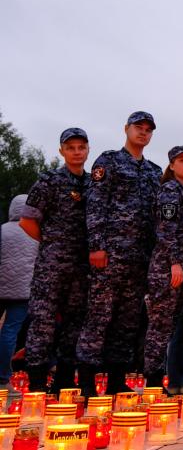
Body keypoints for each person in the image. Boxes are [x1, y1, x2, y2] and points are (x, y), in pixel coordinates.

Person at [77, 111, 161, 395]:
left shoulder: (153, 171)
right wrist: (97, 246)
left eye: (148, 129)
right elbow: (96, 204)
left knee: (127, 320)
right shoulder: (109, 161)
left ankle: (116, 380)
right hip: (110, 255)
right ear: (126, 129)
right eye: (139, 128)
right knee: (99, 317)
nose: (143, 133)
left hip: (139, 259)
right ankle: (87, 383)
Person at [18, 128, 90, 394]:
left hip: (82, 268)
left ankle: (64, 380)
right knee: (43, 322)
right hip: (52, 266)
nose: (76, 152)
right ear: (61, 150)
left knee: (75, 323)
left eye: (81, 147)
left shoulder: (93, 183)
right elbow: (27, 221)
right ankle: (37, 381)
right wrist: (52, 243)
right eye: (70, 147)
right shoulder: (49, 181)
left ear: (87, 150)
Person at [142, 146, 183, 391]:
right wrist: (174, 263)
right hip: (169, 270)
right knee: (159, 327)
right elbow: (166, 230)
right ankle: (153, 382)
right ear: (172, 165)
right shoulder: (169, 190)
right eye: (182, 161)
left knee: (175, 327)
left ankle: (175, 382)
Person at [0, 195, 38, 393]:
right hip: (23, 291)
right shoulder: (35, 232)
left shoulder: (2, 231)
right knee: (10, 332)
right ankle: (3, 378)